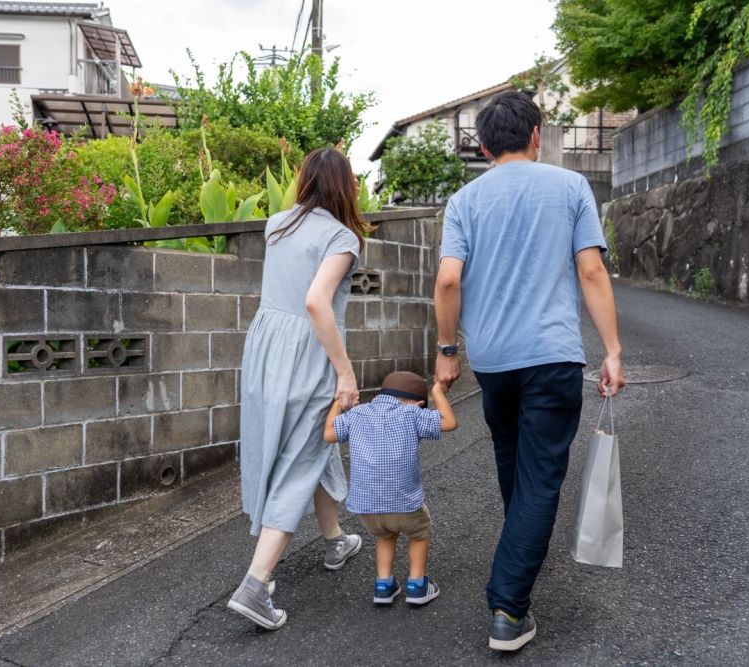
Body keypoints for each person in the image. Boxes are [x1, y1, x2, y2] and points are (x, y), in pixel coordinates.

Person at [433, 90, 625, 652]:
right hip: (553, 356)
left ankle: (517, 568)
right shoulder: (570, 187)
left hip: (494, 362)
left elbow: (447, 280)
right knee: (539, 478)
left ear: (484, 145)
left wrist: (449, 351)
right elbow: (590, 271)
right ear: (536, 136)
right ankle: (508, 608)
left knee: (515, 467)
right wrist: (612, 349)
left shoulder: (464, 200)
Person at [227, 147, 371, 631]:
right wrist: (345, 373)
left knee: (310, 446)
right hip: (308, 354)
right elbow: (316, 302)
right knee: (299, 459)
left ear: (305, 180)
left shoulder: (277, 224)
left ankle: (334, 540)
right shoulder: (342, 237)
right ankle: (256, 583)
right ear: (346, 185)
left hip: (266, 351)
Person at [323, 371, 458, 606]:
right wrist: (437, 391)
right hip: (406, 505)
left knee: (385, 536)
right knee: (418, 535)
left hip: (368, 509)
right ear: (418, 403)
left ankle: (383, 586)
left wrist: (338, 402)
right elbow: (449, 422)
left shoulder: (358, 413)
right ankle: (417, 586)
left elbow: (329, 434)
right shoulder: (413, 413)